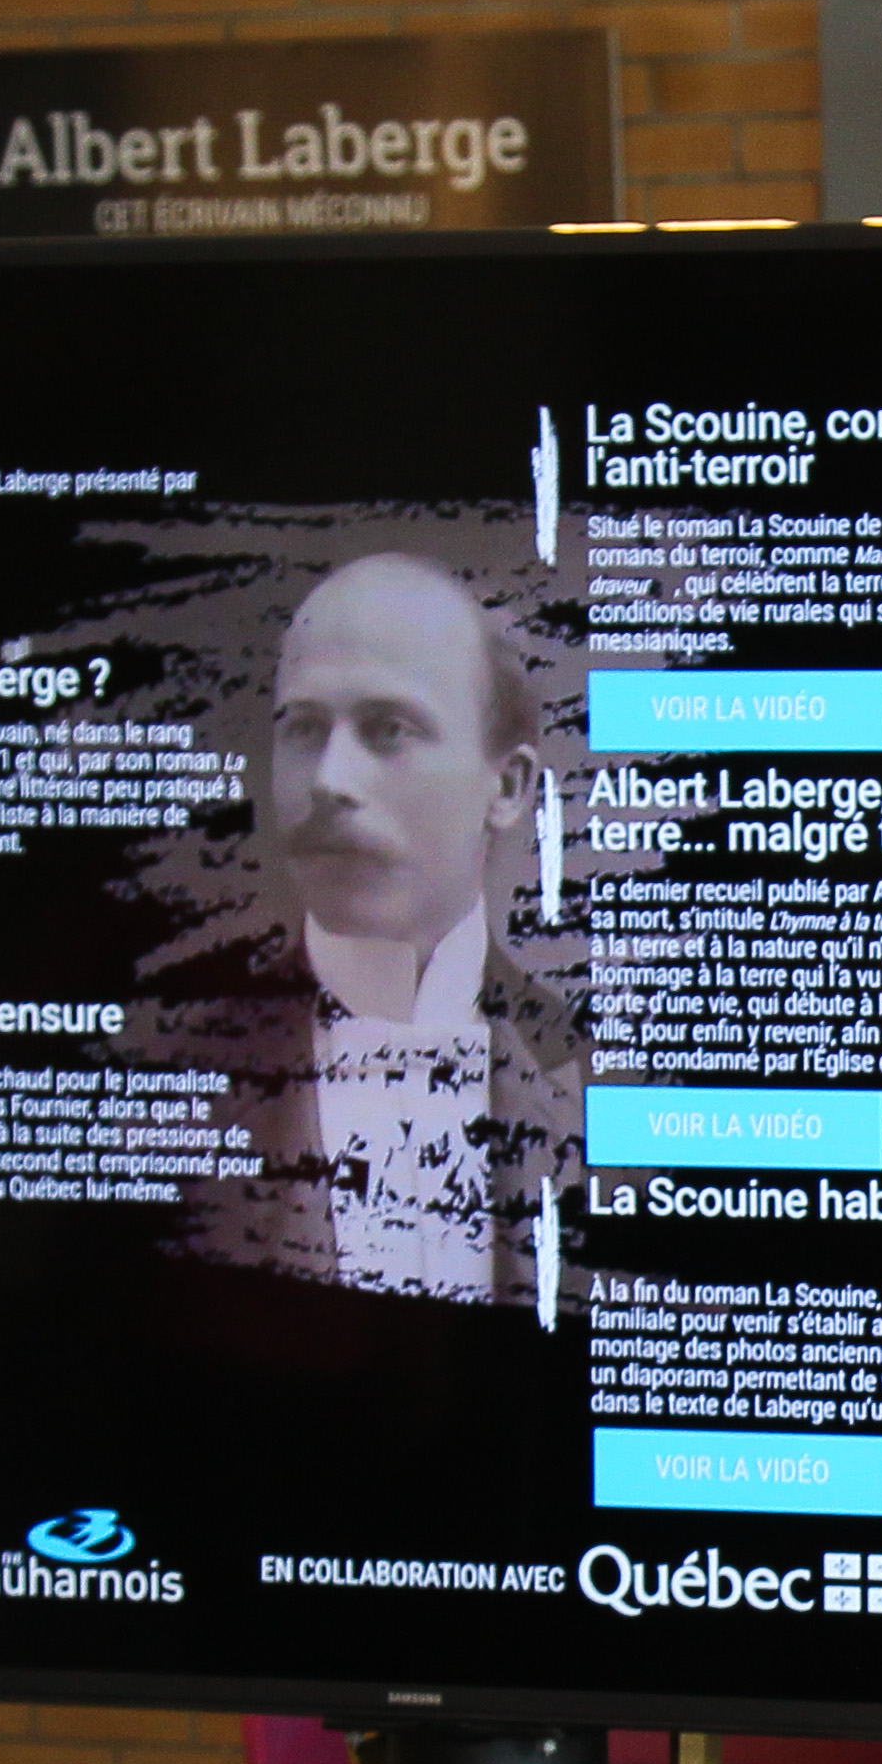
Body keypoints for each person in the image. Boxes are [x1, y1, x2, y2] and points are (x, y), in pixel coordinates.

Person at [167, 551, 584, 1302]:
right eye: (301, 730)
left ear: (509, 786)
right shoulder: (166, 1087)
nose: (328, 779)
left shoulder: (601, 1087)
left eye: (388, 729)